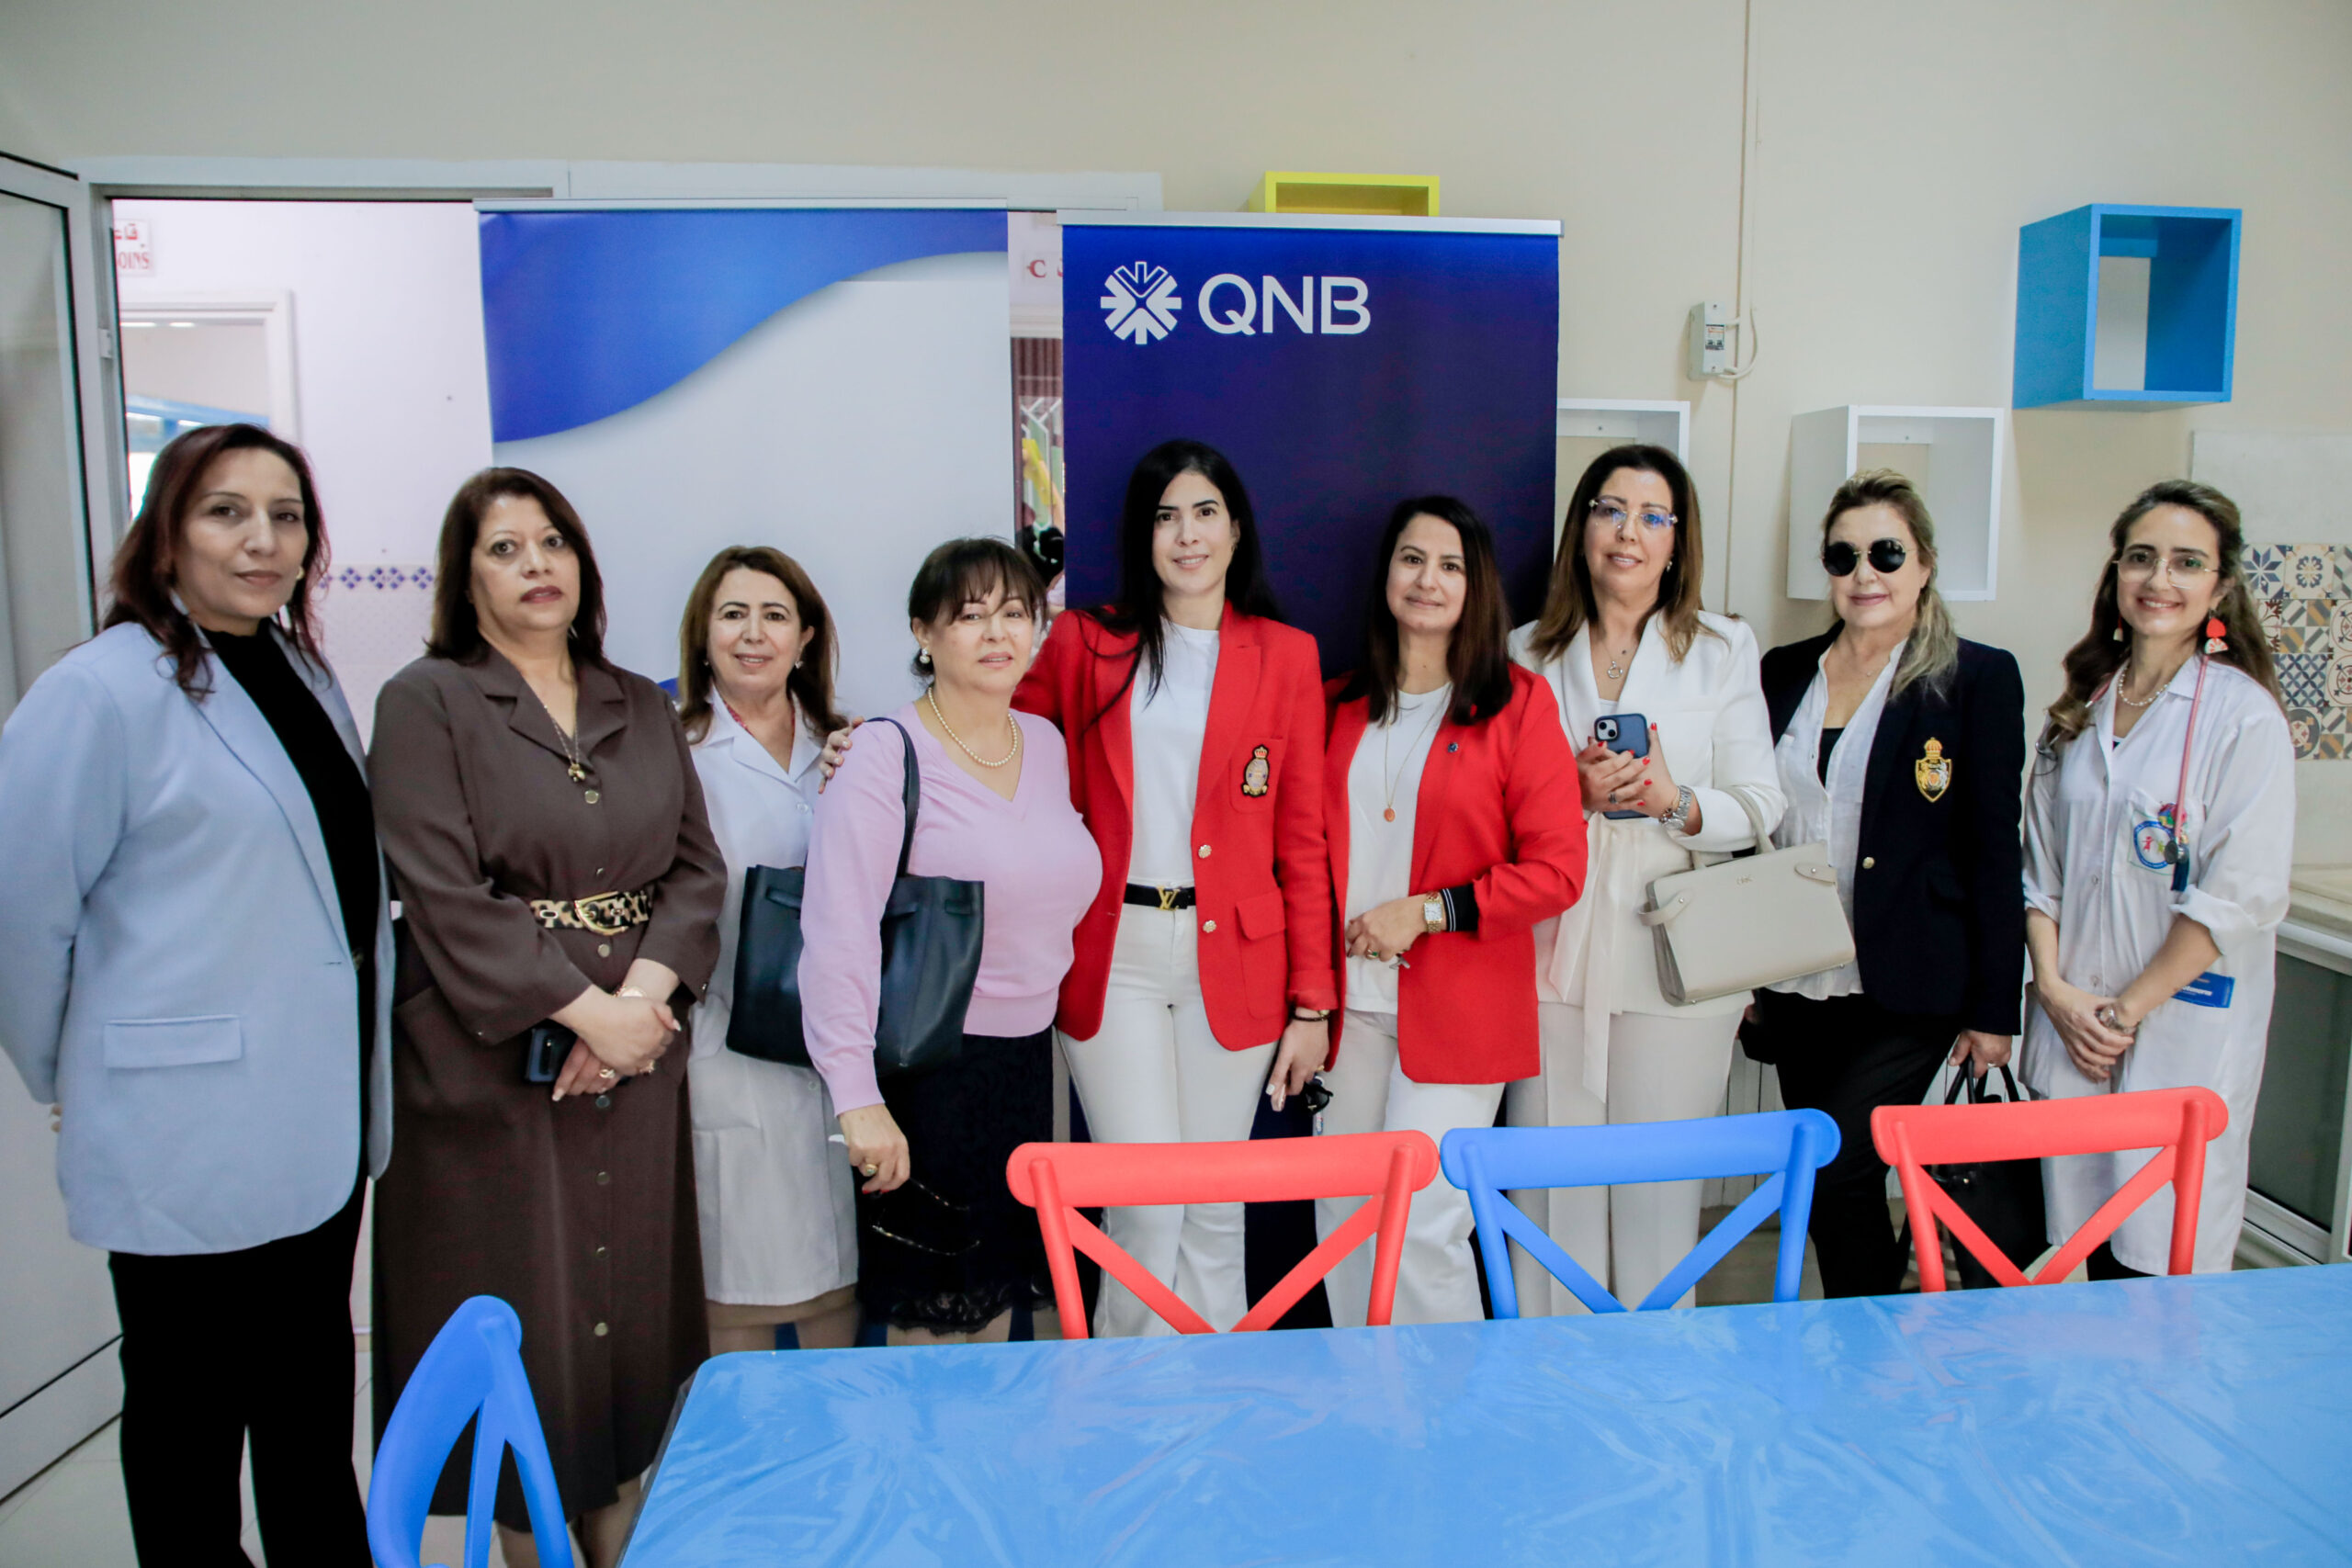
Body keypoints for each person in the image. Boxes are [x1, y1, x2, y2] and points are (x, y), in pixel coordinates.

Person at [0, 423, 390, 1567]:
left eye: (287, 516)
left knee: (308, 1408)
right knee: (187, 1421)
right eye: (227, 511)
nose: (264, 540)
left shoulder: (300, 670)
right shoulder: (97, 692)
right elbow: (21, 916)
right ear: (164, 534)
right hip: (183, 1125)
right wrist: (70, 1070)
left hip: (313, 1121)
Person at [368, 468, 726, 1568]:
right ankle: (530, 1538)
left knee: (628, 1302)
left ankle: (621, 1526)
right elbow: (443, 891)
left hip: (636, 1054)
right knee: (524, 1311)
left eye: (553, 542)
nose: (536, 565)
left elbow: (696, 872)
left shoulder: (639, 701)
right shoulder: (426, 701)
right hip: (490, 1067)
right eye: (505, 548)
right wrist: (585, 1015)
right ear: (464, 577)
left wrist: (638, 1008)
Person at [1013, 439, 1334, 1337]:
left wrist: (1314, 1005)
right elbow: (1001, 747)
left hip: (1238, 957)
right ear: (1142, 535)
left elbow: (1303, 842)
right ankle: (1125, 1401)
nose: (1186, 536)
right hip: (1113, 951)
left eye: (1204, 513)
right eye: (1165, 517)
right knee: (1147, 1207)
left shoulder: (1286, 655)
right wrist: (892, 748)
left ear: (1236, 529)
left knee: (1216, 1211)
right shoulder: (1086, 642)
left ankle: (1212, 1404)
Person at [799, 538, 1102, 1344]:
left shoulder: (1045, 743)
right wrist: (857, 1098)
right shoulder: (879, 753)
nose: (997, 632)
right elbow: (837, 934)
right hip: (929, 1071)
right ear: (923, 632)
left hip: (1029, 1067)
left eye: (1015, 612)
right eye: (969, 615)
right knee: (937, 1330)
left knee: (1011, 1309)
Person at [1504, 445, 1783, 1313]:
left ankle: (1657, 1382)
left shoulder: (1721, 649)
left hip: (1675, 959)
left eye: (1652, 515)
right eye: (1610, 509)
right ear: (1581, 528)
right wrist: (1570, 794)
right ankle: (1551, 1379)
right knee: (1552, 1195)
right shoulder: (1524, 650)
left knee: (1658, 1201)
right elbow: (1492, 809)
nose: (1628, 531)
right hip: (1553, 955)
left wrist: (1674, 801)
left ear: (1676, 541)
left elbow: (1762, 804)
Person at [1751, 470, 2025, 1298]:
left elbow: (1994, 848)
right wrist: (1744, 976)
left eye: (1886, 553)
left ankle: (1868, 1334)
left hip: (1910, 980)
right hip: (1797, 977)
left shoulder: (1974, 678)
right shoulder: (1782, 672)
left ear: (1925, 563)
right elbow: (1757, 823)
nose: (1864, 573)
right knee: (1827, 1181)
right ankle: (1861, 1338)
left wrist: (1995, 1009)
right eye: (1844, 557)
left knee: (1835, 1163)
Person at [1317, 497, 1587, 1325]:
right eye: (1411, 559)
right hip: (1348, 1009)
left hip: (1461, 1006)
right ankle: (1366, 1392)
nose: (1427, 579)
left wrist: (1430, 910)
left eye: (1450, 565)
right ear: (1386, 574)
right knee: (1346, 1222)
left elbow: (1558, 870)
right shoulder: (1335, 705)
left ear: (1477, 587)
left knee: (1425, 1225)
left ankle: (1450, 1401)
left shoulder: (1519, 704)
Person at [2021, 480, 2292, 1277]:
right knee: (2076, 1258)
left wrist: (2122, 1012)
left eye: (2186, 562)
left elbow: (2236, 895)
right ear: (2117, 573)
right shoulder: (2079, 712)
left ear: (2221, 586)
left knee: (2160, 1270)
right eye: (2141, 557)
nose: (2159, 579)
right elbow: (2039, 873)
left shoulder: (2243, 719)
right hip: (2077, 1024)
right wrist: (2056, 992)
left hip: (2177, 1031)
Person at [675, 547, 860, 1352]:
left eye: (775, 615)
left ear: (806, 636)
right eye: (733, 614)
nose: (754, 634)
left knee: (839, 1288)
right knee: (736, 1287)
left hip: (839, 1051)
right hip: (724, 1044)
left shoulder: (850, 745)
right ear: (704, 635)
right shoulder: (674, 749)